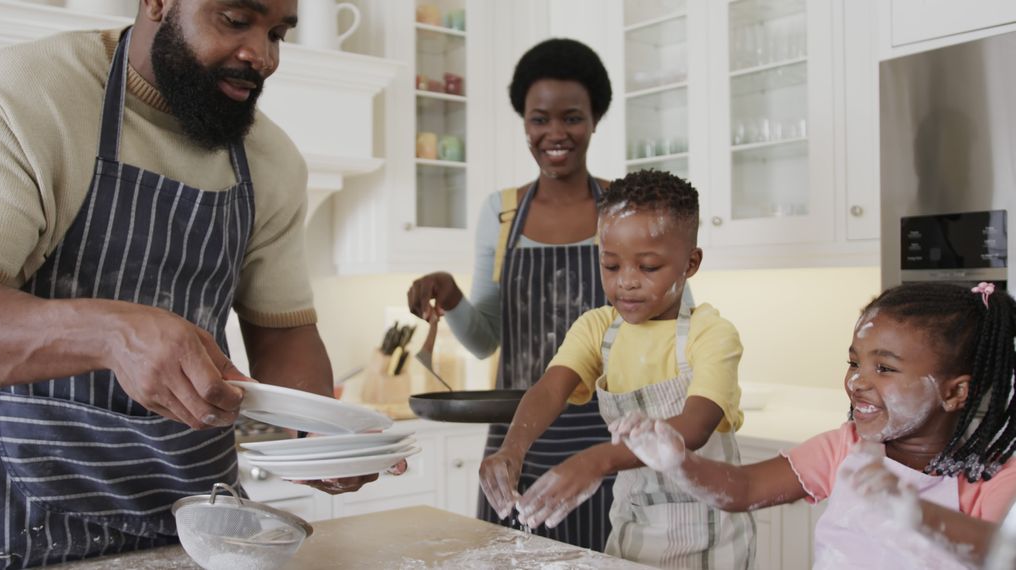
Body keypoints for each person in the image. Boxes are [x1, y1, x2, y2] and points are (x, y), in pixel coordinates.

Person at [0, 1, 387, 567]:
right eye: (234, 19)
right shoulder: (24, 95)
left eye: (277, 33)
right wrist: (112, 333)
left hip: (198, 534)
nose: (262, 56)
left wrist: (325, 434)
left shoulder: (272, 160)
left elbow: (284, 334)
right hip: (19, 531)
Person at [611, 281, 1016, 568]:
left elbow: (1003, 554)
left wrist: (917, 514)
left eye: (884, 368)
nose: (857, 381)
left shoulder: (994, 473)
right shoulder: (848, 447)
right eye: (854, 362)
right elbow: (744, 489)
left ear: (955, 392)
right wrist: (679, 463)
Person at [480, 169, 756, 568]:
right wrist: (512, 448)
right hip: (632, 529)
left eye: (647, 267)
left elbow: (693, 429)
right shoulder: (597, 329)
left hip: (711, 539)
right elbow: (549, 390)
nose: (626, 282)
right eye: (611, 266)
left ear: (690, 263)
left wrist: (598, 460)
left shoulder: (711, 334)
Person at [406, 38, 615, 550]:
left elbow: (676, 324)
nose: (555, 133)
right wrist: (452, 296)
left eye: (572, 117)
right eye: (539, 119)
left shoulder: (625, 207)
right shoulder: (500, 214)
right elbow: (484, 341)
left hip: (607, 443)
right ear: (524, 122)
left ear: (594, 120)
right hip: (514, 446)